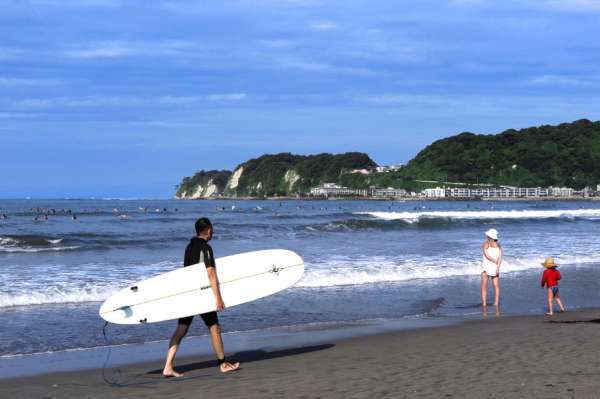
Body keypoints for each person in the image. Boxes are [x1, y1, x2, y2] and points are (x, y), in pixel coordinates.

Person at [162, 217, 240, 377]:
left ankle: (167, 366)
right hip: (201, 296)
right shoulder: (206, 248)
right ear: (209, 230)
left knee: (181, 330)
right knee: (214, 327)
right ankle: (223, 364)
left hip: (188, 294)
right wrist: (218, 298)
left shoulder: (189, 247)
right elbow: (210, 272)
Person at [480, 228, 502, 308]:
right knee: (496, 286)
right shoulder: (499, 245)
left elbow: (487, 256)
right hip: (495, 268)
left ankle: (484, 304)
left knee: (484, 287)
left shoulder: (486, 243)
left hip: (486, 267)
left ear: (489, 236)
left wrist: (493, 260)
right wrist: (498, 267)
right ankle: (496, 303)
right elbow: (500, 257)